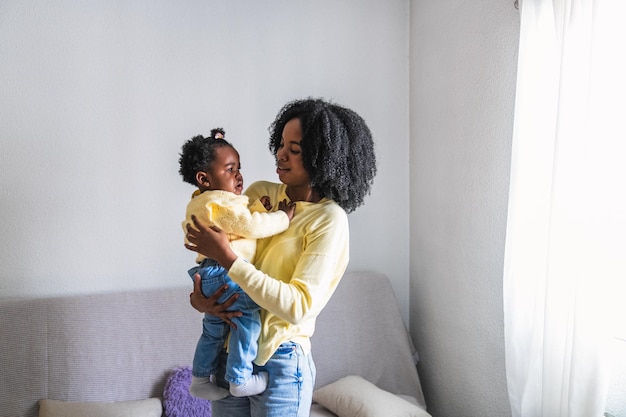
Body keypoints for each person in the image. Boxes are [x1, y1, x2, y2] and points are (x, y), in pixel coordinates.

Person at [184, 98, 377, 417]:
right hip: (230, 354)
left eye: (295, 149)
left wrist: (230, 260)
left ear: (321, 158)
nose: (280, 154)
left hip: (281, 363)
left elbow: (298, 306)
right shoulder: (261, 193)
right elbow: (219, 251)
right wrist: (201, 299)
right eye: (281, 144)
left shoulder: (328, 220)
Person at [179, 129, 295, 400]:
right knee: (246, 320)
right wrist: (282, 217)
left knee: (213, 329)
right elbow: (249, 226)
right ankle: (240, 378)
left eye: (239, 168)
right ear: (204, 178)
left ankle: (199, 378)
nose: (239, 175)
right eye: (230, 170)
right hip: (226, 273)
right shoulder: (219, 203)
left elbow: (238, 223)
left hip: (208, 273)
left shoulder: (200, 202)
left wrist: (258, 206)